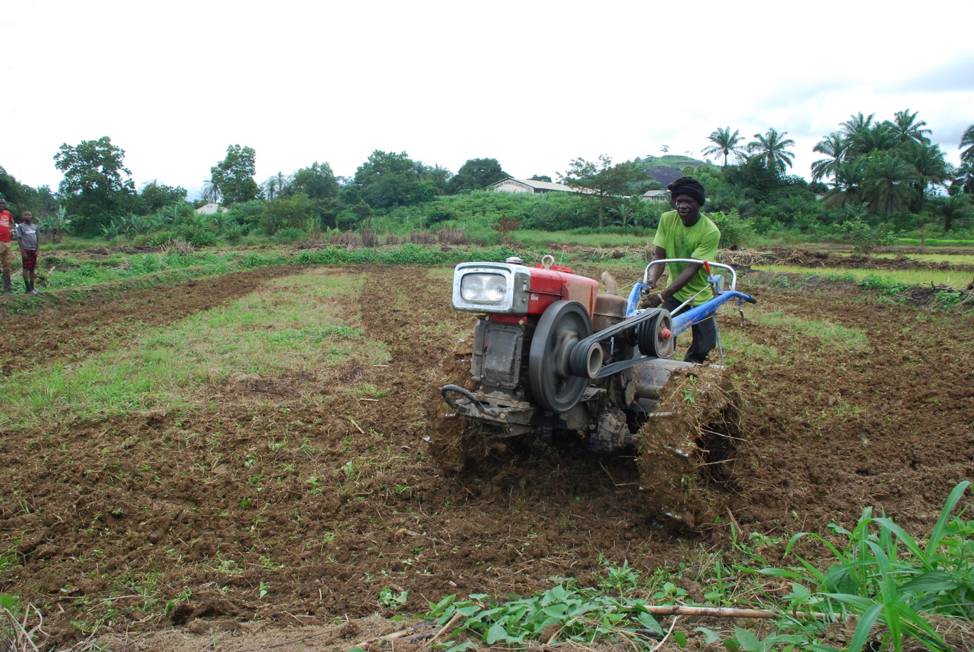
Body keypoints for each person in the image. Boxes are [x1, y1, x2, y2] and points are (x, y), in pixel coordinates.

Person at [643, 176, 721, 364]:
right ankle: (665, 369)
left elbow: (692, 268)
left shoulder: (710, 231)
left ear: (699, 204)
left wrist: (661, 296)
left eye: (689, 201)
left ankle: (689, 369)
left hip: (701, 297)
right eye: (679, 201)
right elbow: (659, 256)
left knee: (705, 344)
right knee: (662, 336)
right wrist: (651, 278)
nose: (682, 206)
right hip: (675, 294)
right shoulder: (667, 220)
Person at [16, 211, 41, 295]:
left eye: (29, 215)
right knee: (26, 268)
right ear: (23, 217)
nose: (28, 216)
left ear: (31, 216)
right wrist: (22, 251)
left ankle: (32, 287)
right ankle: (28, 288)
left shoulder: (35, 227)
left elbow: (38, 239)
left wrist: (37, 250)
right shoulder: (21, 227)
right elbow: (19, 239)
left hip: (34, 250)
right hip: (26, 249)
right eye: (25, 215)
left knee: (32, 268)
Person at [0, 198, 15, 295]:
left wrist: (12, 230)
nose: (2, 205)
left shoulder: (7, 213)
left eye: (3, 203)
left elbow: (12, 222)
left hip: (7, 241)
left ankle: (7, 289)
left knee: (7, 265)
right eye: (0, 203)